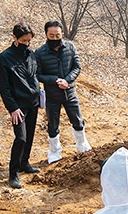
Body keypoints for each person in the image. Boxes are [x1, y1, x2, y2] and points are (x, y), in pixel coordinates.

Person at [35, 20, 91, 164]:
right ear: (46, 34)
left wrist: (67, 80)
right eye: (51, 35)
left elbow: (77, 67)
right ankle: (54, 151)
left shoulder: (70, 47)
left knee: (77, 120)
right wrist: (54, 80)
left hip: (70, 92)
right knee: (53, 125)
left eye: (57, 35)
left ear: (62, 34)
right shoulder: (40, 52)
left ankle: (82, 145)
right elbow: (37, 74)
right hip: (52, 95)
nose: (55, 38)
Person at [0, 23, 41, 189]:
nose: (27, 44)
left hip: (33, 102)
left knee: (29, 136)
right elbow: (4, 87)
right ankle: (13, 173)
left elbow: (34, 75)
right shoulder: (4, 58)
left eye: (29, 40)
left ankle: (24, 163)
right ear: (14, 38)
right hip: (18, 106)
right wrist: (13, 108)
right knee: (20, 138)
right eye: (23, 40)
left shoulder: (31, 54)